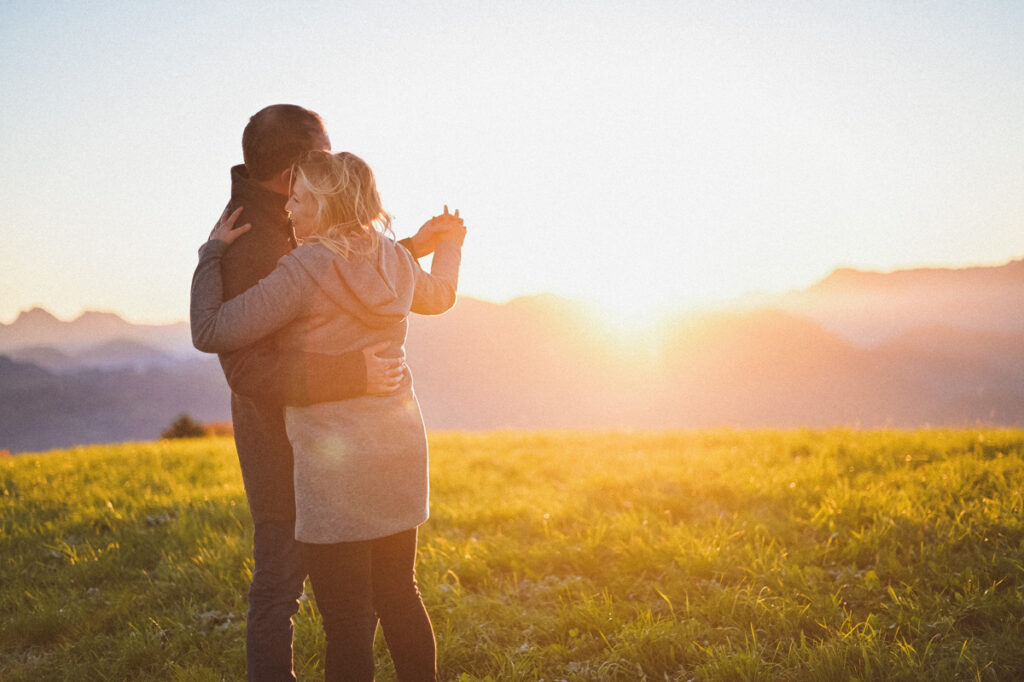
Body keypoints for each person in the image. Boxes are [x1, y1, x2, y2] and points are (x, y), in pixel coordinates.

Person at [191, 149, 465, 681]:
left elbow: (212, 331)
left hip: (332, 465)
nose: (288, 209)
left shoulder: (304, 268)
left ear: (322, 204)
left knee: (345, 619)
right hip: (400, 449)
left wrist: (211, 254)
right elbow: (442, 296)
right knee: (400, 594)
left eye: (298, 199)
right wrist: (450, 244)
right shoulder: (396, 260)